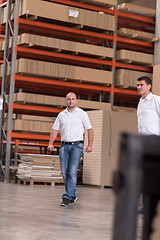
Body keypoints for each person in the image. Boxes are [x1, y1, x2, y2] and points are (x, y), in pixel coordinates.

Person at [47, 92, 94, 207]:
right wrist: (50, 143)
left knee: (72, 172)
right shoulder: (61, 115)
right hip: (64, 146)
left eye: (73, 99)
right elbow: (54, 130)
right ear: (66, 101)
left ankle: (67, 197)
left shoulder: (82, 114)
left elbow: (90, 130)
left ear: (76, 101)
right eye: (68, 99)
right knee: (64, 173)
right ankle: (72, 194)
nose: (71, 101)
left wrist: (90, 145)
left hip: (77, 146)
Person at [137, 76, 160, 215]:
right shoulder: (140, 102)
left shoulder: (156, 100)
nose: (139, 87)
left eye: (141, 85)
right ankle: (146, 206)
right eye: (137, 85)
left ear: (149, 86)